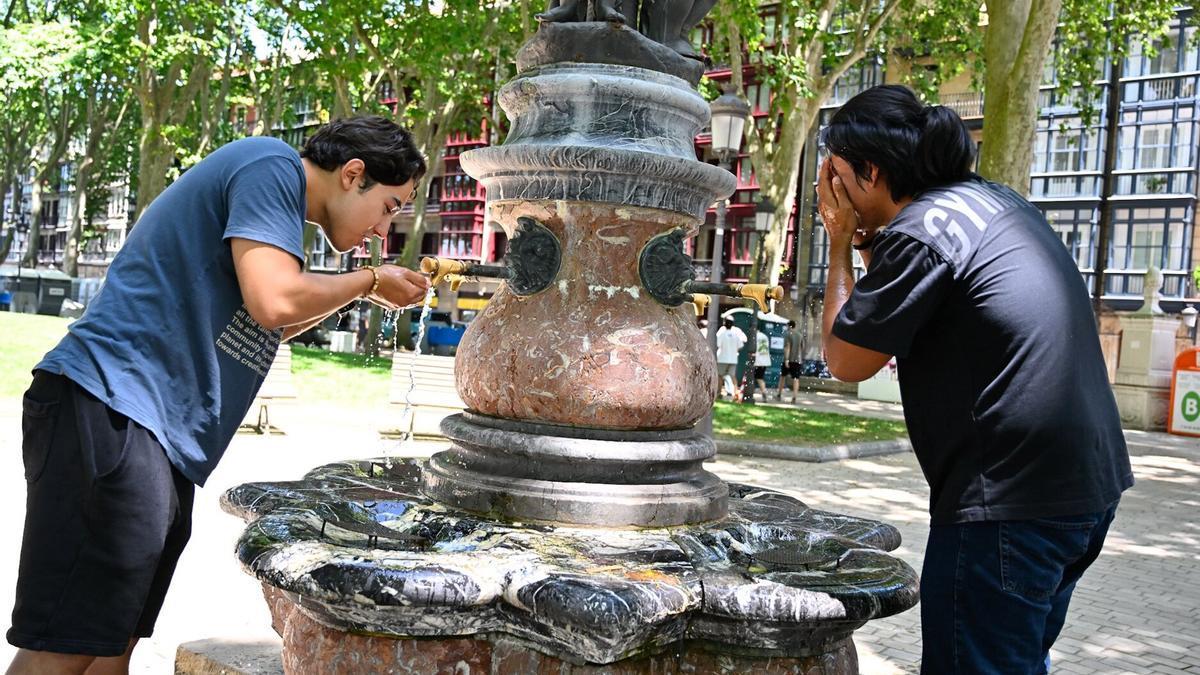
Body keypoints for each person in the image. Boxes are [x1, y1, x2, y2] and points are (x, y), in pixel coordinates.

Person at [7, 116, 431, 675]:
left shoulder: (275, 204)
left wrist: (358, 291)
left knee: (113, 642)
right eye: (390, 206)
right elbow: (274, 302)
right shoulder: (270, 165)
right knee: (64, 646)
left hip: (153, 436)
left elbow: (271, 323)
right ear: (354, 175)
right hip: (111, 407)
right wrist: (371, 281)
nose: (385, 230)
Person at [816, 85, 1132, 674]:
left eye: (833, 174)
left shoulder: (919, 234)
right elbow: (894, 310)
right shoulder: (988, 201)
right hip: (1085, 489)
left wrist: (837, 242)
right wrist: (867, 238)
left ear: (870, 172)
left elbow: (846, 359)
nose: (825, 190)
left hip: (1007, 509)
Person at [714, 317, 746, 400]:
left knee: (720, 376)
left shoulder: (722, 334)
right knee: (733, 376)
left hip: (722, 358)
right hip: (733, 359)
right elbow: (740, 346)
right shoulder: (735, 335)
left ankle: (719, 393)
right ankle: (736, 393)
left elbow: (718, 344)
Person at [778, 319, 803, 403]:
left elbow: (787, 347)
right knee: (796, 378)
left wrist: (786, 359)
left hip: (789, 359)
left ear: (789, 326)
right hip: (797, 360)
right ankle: (794, 396)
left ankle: (779, 394)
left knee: (782, 377)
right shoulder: (800, 335)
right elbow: (802, 347)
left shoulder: (787, 334)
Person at [752, 328, 771, 401]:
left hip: (758, 360)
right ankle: (763, 393)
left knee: (757, 378)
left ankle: (763, 393)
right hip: (765, 360)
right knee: (760, 378)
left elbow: (755, 348)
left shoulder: (755, 336)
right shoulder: (764, 336)